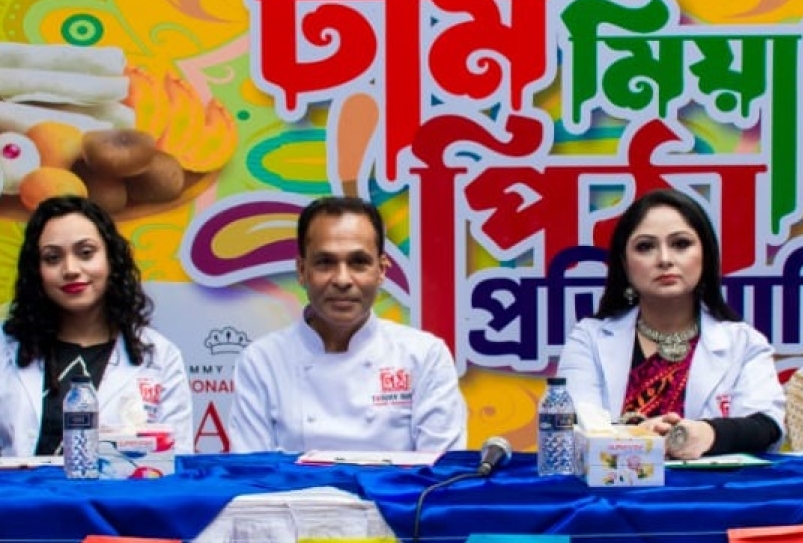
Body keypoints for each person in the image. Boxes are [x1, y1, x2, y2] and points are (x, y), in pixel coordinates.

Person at [557, 189, 784, 460]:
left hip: (717, 486)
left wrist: (708, 433)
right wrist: (636, 434)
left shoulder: (744, 342)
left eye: (681, 244)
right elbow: (569, 426)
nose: (664, 259)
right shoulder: (589, 338)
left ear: (705, 255)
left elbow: (767, 426)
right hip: (615, 485)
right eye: (645, 247)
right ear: (625, 264)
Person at [229, 196, 467, 453]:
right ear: (302, 270)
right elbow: (250, 470)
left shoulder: (424, 356)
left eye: (358, 262)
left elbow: (442, 469)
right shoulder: (262, 361)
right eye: (325, 262)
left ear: (381, 270)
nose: (342, 280)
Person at [0, 195, 193, 456]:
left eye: (86, 253)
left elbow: (175, 461)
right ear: (37, 271)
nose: (70, 269)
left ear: (111, 259)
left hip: (121, 486)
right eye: (52, 258)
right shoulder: (6, 348)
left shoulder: (159, 356)